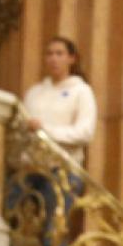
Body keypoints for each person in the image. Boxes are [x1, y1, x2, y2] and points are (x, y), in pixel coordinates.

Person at [22, 36, 97, 166]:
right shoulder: (34, 93)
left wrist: (46, 130)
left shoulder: (81, 91)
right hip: (30, 167)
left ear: (71, 59)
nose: (54, 59)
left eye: (59, 54)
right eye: (49, 54)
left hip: (63, 170)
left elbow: (85, 132)